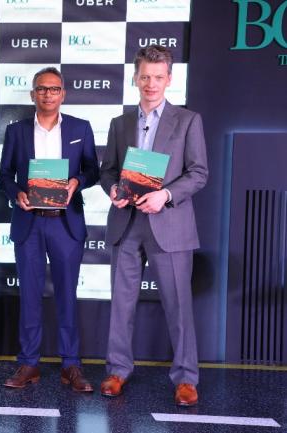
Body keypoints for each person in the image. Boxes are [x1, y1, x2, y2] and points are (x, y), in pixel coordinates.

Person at [99, 45, 208, 406]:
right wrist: (112, 188)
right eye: (145, 76)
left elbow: (199, 173)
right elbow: (108, 171)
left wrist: (166, 195)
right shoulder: (119, 123)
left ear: (169, 79)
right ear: (135, 77)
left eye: (158, 77)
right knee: (121, 304)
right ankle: (117, 370)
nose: (151, 83)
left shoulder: (188, 120)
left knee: (179, 306)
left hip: (169, 225)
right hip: (126, 223)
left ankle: (186, 378)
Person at [0, 66, 99, 391]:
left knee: (67, 295)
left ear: (63, 94)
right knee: (29, 295)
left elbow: (93, 170)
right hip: (30, 221)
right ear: (33, 94)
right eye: (42, 88)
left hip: (66, 223)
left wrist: (76, 182)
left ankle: (71, 365)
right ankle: (29, 363)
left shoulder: (81, 128)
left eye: (54, 89)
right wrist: (17, 194)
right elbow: (3, 176)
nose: (48, 94)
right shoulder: (17, 131)